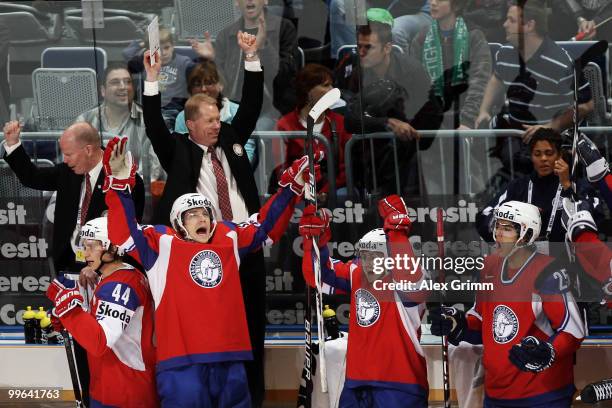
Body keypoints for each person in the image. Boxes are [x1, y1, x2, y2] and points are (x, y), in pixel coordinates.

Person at [102, 135, 316, 407]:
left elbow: (265, 226)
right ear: (178, 223)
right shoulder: (162, 244)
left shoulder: (228, 238)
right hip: (182, 363)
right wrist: (119, 187)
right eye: (192, 214)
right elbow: (122, 235)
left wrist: (291, 188)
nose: (201, 217)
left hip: (230, 358)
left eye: (204, 212)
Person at [142, 31, 267, 405]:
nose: (217, 124)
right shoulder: (176, 150)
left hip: (244, 245)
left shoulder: (230, 137)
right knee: (211, 329)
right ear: (190, 124)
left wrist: (251, 59)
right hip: (202, 254)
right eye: (210, 120)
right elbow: (151, 123)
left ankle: (254, 398)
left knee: (252, 325)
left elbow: (252, 107)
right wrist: (151, 80)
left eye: (218, 117)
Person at [1, 120, 145, 406]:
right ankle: (86, 398)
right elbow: (32, 177)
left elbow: (126, 231)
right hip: (70, 270)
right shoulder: (70, 172)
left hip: (105, 275)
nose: (64, 161)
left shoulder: (124, 179)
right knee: (77, 342)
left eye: (69, 154)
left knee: (104, 343)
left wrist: (98, 267)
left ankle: (107, 396)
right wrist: (12, 144)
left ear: (89, 149)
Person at [431, 200, 585, 407]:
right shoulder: (489, 267)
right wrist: (458, 325)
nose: (498, 234)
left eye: (508, 228)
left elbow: (573, 331)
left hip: (542, 396)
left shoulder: (548, 271)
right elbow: (483, 322)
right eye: (497, 226)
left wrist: (548, 351)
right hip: (496, 395)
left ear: (528, 235)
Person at [300, 195, 429, 407]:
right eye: (365, 255)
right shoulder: (357, 273)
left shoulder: (411, 276)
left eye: (375, 255)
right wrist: (315, 242)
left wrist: (396, 233)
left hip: (400, 382)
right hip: (357, 381)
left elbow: (410, 280)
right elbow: (316, 276)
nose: (369, 262)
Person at [475, 0, 593, 186]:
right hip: (516, 135)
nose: (505, 24)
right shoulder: (505, 52)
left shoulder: (561, 64)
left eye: (511, 20)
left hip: (552, 143)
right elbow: (497, 79)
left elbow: (586, 105)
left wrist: (551, 125)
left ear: (529, 25)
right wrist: (484, 110)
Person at [45, 217, 158, 408]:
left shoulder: (119, 286)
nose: (85, 253)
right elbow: (99, 325)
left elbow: (99, 342)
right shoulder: (120, 276)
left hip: (124, 392)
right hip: (114, 386)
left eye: (92, 246)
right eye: (84, 246)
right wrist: (69, 314)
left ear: (112, 248)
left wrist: (70, 310)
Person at [335, 8, 443, 196]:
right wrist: (387, 123)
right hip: (363, 145)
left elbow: (433, 113)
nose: (361, 52)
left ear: (387, 48)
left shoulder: (412, 72)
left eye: (368, 47)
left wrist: (410, 134)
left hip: (407, 152)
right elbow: (349, 118)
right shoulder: (350, 66)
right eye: (358, 46)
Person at [476, 128, 601, 248]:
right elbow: (485, 217)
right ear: (531, 156)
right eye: (537, 154)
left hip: (567, 261)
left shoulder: (577, 185)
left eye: (549, 153)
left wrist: (567, 186)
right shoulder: (518, 187)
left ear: (559, 155)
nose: (543, 159)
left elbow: (594, 219)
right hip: (526, 260)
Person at [190, 0, 299, 129]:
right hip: (234, 106)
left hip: (272, 109)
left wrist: (264, 46)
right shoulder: (226, 34)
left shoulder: (284, 28)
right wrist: (213, 58)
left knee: (254, 131)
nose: (249, 1)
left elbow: (285, 77)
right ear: (236, 2)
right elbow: (223, 84)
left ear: (265, 1)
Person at [76, 64, 163, 186]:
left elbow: (153, 171)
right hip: (91, 190)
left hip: (132, 193)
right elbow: (73, 163)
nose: (123, 87)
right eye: (115, 82)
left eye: (128, 82)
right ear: (103, 91)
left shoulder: (148, 121)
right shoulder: (85, 120)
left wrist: (120, 187)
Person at [410, 0, 492, 130]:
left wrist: (467, 120)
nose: (433, 3)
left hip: (466, 119)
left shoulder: (474, 35)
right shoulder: (421, 37)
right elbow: (415, 83)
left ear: (457, 4)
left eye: (440, 0)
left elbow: (480, 80)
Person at [274, 63, 352, 195]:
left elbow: (346, 168)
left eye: (332, 85)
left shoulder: (339, 122)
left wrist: (326, 192)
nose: (332, 90)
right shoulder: (284, 125)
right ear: (307, 90)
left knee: (343, 195)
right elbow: (280, 168)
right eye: (326, 85)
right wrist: (304, 191)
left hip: (334, 189)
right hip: (297, 191)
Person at [174, 60, 258, 167]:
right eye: (197, 84)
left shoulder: (237, 111)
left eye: (209, 83)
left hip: (233, 174)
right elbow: (182, 154)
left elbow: (247, 151)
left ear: (220, 85)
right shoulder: (183, 117)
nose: (203, 89)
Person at [124, 26, 196, 128]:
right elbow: (126, 54)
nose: (163, 53)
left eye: (167, 47)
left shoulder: (184, 62)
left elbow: (199, 74)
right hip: (149, 108)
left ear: (173, 46)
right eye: (158, 49)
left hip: (173, 109)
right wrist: (143, 44)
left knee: (162, 126)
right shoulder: (146, 61)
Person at [328, 0, 432, 58]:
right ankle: (351, 66)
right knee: (340, 4)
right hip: (378, 5)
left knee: (395, 30)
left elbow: (413, 4)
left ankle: (396, 82)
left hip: (420, 10)